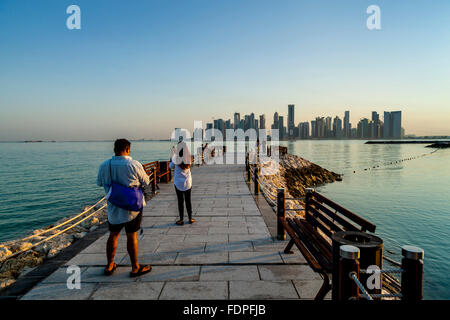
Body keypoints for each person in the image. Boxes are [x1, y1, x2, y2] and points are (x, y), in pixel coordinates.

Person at [97, 139, 152, 277]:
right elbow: (147, 181)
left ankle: (110, 265)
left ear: (114, 149)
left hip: (113, 208)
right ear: (127, 149)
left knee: (113, 235)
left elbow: (99, 183)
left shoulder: (104, 165)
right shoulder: (134, 164)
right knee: (131, 236)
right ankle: (135, 267)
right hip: (132, 208)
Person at [169, 139, 194, 225]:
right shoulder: (189, 158)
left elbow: (170, 166)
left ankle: (181, 219)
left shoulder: (176, 158)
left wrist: (172, 154)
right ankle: (190, 218)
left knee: (180, 201)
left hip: (178, 183)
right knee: (188, 200)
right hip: (188, 182)